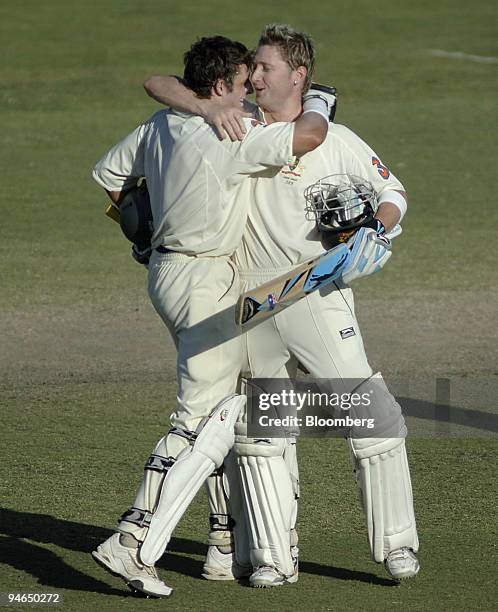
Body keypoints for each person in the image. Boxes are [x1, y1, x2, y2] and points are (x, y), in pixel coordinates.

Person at [144, 23, 419, 588]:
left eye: (266, 68)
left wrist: (376, 232)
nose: (255, 76)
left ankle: (396, 545)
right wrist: (196, 100)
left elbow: (394, 193)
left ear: (298, 76)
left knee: (371, 415)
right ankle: (271, 556)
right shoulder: (234, 122)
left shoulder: (335, 138)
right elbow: (158, 83)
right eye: (254, 69)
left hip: (315, 290)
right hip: (247, 296)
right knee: (263, 428)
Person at [91, 35, 331, 598]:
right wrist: (319, 97)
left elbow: (108, 176)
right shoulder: (236, 132)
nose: (252, 89)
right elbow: (310, 134)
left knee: (225, 405)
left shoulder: (161, 122)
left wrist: (145, 231)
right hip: (204, 281)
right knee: (200, 416)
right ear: (222, 86)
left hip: (168, 274)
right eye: (245, 82)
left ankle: (222, 544)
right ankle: (131, 539)